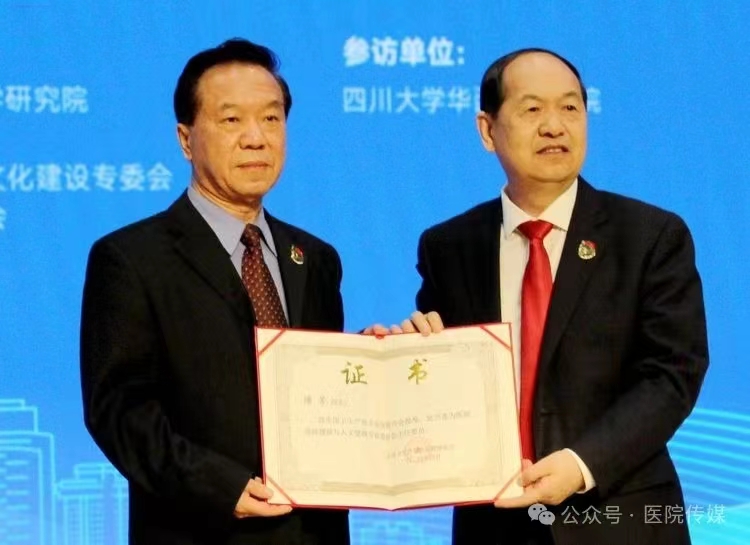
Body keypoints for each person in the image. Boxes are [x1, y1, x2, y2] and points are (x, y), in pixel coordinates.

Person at [376, 48, 708, 544]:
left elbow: (672, 375)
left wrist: (581, 464)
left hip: (618, 519)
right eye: (532, 109)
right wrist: (398, 357)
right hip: (495, 525)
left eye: (570, 107)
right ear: (487, 130)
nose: (555, 126)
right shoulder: (449, 246)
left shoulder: (649, 235)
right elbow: (441, 380)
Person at [80, 38, 349, 545]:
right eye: (231, 120)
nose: (256, 138)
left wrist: (376, 365)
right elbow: (119, 412)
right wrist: (222, 487)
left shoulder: (315, 258)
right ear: (186, 139)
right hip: (200, 528)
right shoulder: (132, 258)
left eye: (271, 118)